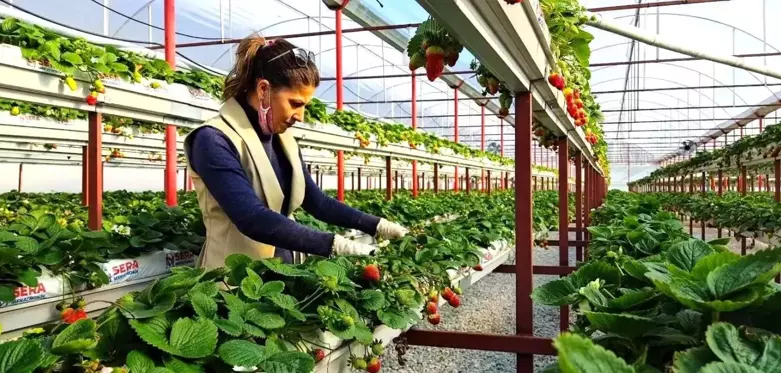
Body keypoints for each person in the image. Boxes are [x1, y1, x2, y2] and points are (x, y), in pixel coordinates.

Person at [183, 35, 408, 269]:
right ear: (263, 90)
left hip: (285, 272)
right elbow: (251, 217)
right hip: (232, 281)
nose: (301, 116)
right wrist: (334, 244)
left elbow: (316, 202)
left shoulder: (284, 140)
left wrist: (377, 225)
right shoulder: (213, 139)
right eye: (295, 103)